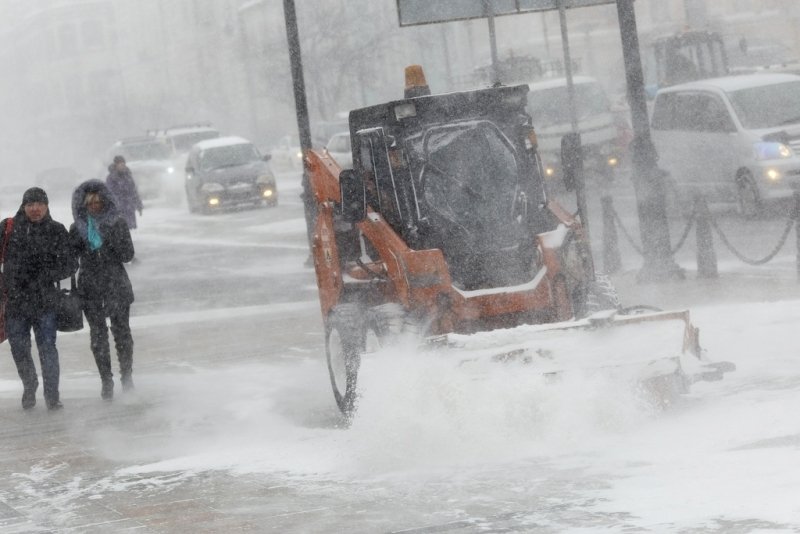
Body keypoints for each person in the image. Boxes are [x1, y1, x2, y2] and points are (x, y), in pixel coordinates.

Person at [1, 187, 76, 410]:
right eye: (30, 204)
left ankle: (52, 395)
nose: (35, 209)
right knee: (19, 348)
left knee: (47, 348)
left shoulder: (56, 230)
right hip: (15, 301)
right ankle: (30, 384)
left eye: (39, 204)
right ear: (23, 207)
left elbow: (71, 264)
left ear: (46, 206)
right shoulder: (8, 228)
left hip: (45, 301)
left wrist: (48, 274)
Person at [69, 180, 136, 400]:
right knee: (98, 336)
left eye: (99, 202)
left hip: (116, 284)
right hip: (90, 287)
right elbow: (70, 259)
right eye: (90, 203)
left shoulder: (117, 223)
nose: (95, 206)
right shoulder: (76, 228)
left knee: (122, 333)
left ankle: (127, 377)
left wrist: (111, 238)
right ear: (83, 205)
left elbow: (127, 255)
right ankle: (106, 381)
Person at [106, 155, 143, 230]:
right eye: (120, 163)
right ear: (116, 165)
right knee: (120, 228)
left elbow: (134, 191)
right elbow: (110, 193)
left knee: (129, 228)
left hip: (129, 207)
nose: (122, 165)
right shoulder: (111, 178)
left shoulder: (128, 176)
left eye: (123, 163)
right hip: (119, 209)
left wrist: (139, 205)